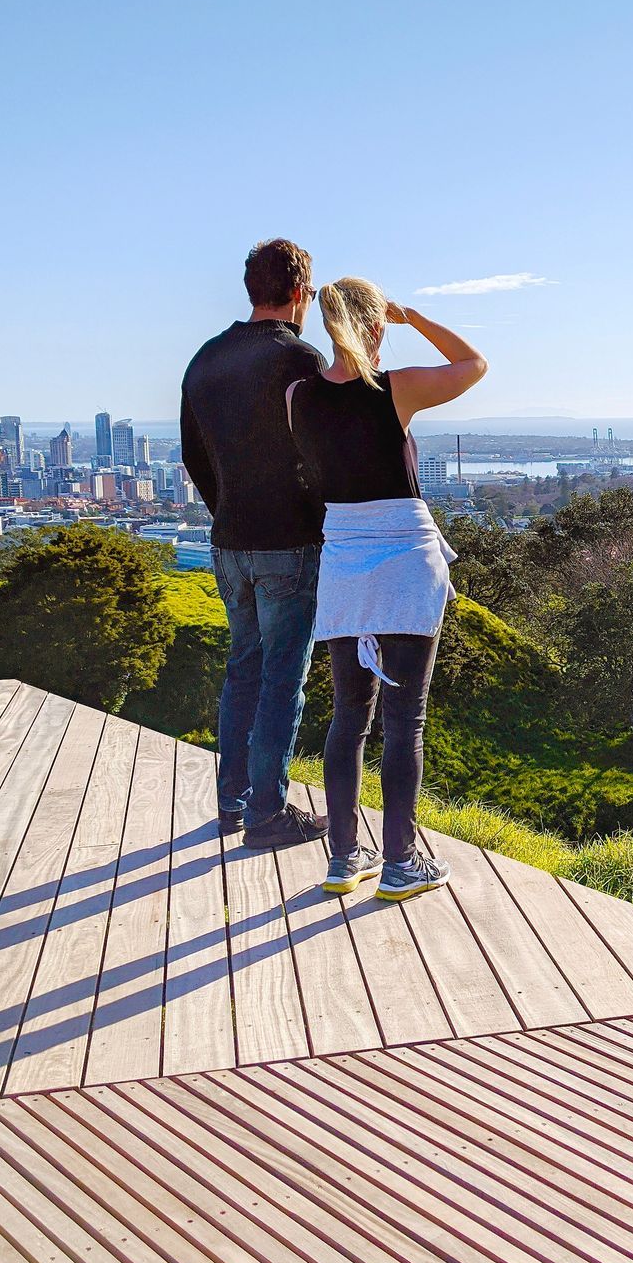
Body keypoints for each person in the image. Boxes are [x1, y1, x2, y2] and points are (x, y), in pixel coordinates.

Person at [287, 277, 487, 899]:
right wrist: (416, 316)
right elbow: (473, 364)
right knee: (406, 719)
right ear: (376, 327)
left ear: (327, 326)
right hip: (404, 554)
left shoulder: (299, 396)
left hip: (343, 557)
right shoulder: (393, 389)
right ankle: (401, 862)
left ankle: (344, 858)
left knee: (349, 715)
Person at [180, 238, 329, 849]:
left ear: (251, 289)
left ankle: (231, 802)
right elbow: (323, 451)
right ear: (298, 292)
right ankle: (268, 812)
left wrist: (228, 511)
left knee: (242, 668)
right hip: (289, 539)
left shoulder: (206, 360)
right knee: (282, 676)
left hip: (229, 538)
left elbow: (195, 457)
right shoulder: (301, 361)